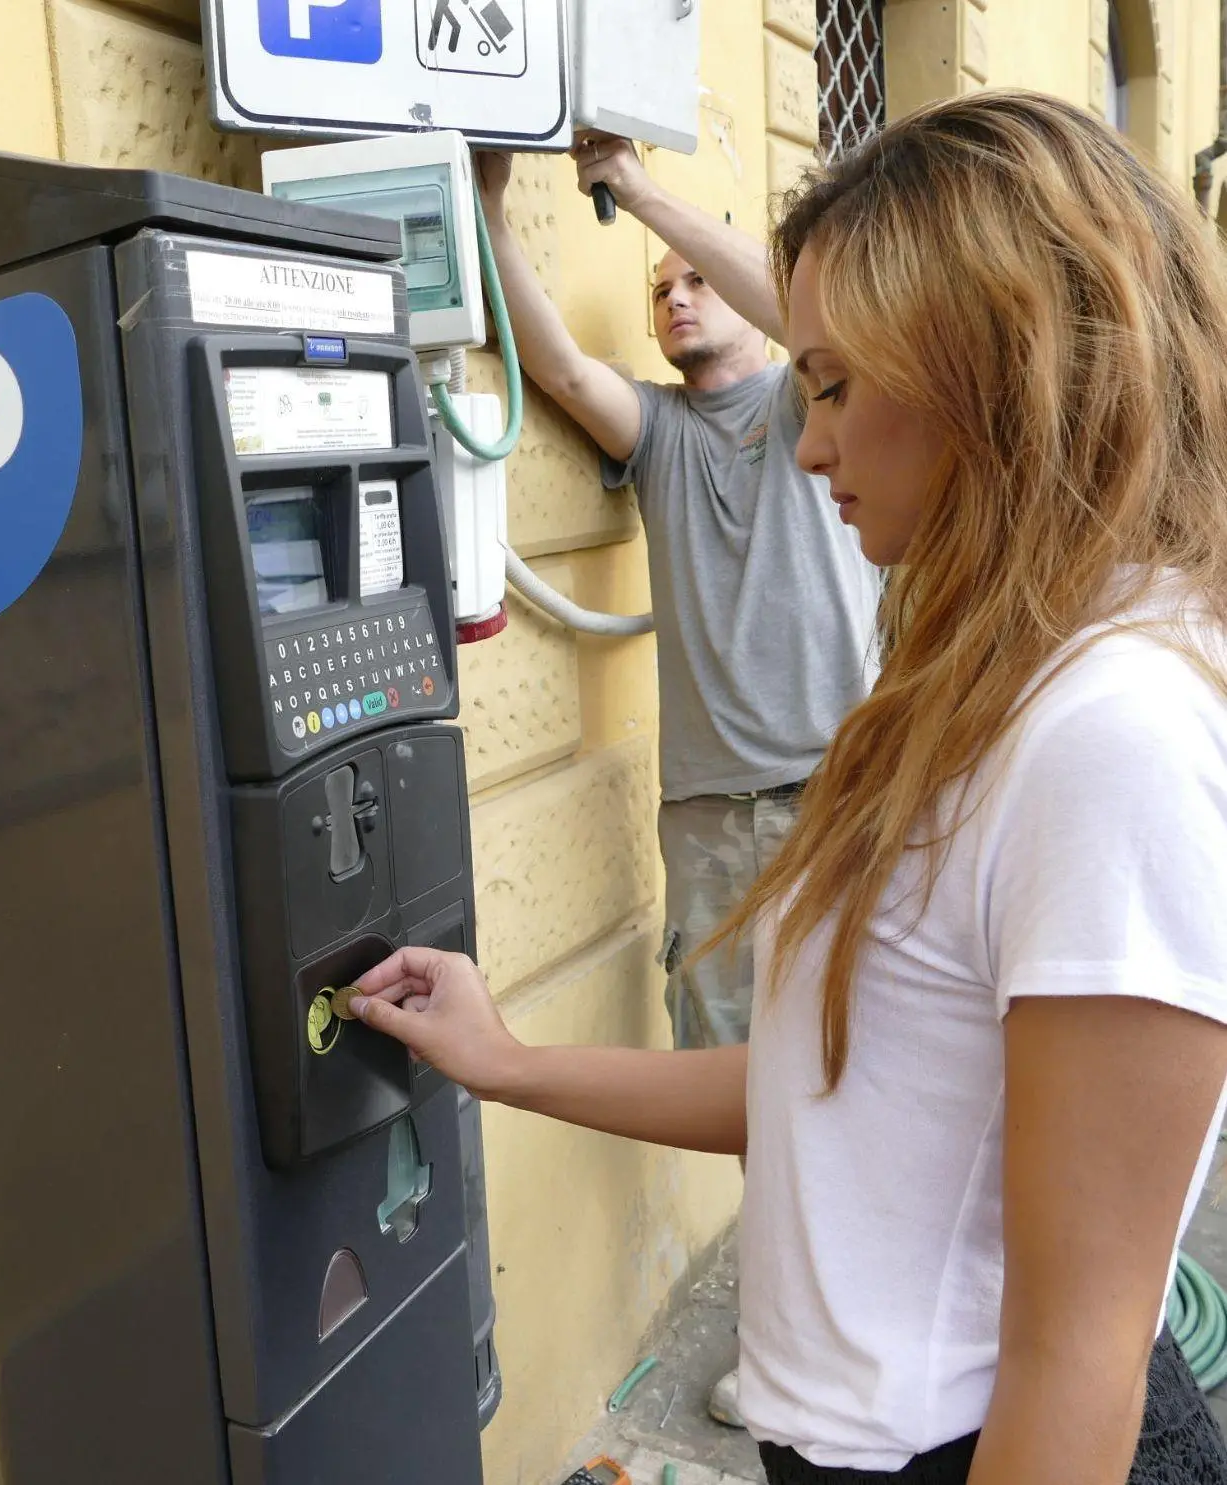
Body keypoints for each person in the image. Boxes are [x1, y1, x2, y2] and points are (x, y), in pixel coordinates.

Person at [353, 90, 1227, 1483]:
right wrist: (505, 1062)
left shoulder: (1108, 729)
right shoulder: (985, 677)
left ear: (989, 368)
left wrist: (635, 188)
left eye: (831, 387)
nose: (809, 442)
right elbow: (835, 1094)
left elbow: (1077, 1356)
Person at [476, 138, 882, 1425]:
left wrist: (638, 186)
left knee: (864, 1076)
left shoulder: (802, 410)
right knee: (750, 1095)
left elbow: (795, 302)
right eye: (655, 290)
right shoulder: (654, 435)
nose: (674, 298)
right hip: (708, 824)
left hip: (841, 801)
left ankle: (868, 1327)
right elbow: (549, 360)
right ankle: (793, 1341)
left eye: (688, 281)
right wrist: (486, 201)